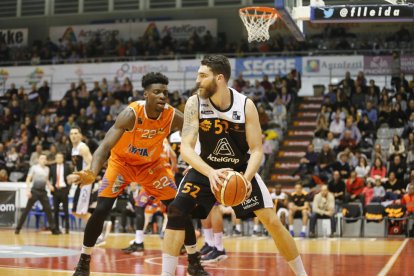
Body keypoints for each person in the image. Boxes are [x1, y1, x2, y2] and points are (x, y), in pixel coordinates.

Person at [161, 55, 307, 276]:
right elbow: (187, 149)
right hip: (205, 169)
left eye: (202, 76)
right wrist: (210, 173)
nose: (197, 80)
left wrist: (246, 180)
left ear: (219, 78)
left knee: (272, 221)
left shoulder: (246, 105)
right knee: (176, 211)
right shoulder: (195, 102)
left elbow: (257, 150)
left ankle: (301, 274)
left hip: (240, 170)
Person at [70, 72, 203, 276]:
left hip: (152, 166)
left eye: (165, 93)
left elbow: (196, 132)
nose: (162, 96)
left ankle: (194, 261)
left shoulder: (173, 116)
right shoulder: (131, 114)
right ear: (146, 94)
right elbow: (105, 146)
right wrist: (92, 171)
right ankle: (84, 261)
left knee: (179, 209)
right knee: (102, 208)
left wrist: (197, 159)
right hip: (122, 164)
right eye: (157, 92)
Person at [15, 154, 61, 235]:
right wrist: (27, 190)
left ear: (46, 161)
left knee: (48, 210)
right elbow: (28, 179)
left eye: (44, 158)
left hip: (43, 192)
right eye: (41, 158)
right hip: (34, 191)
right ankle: (18, 228)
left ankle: (53, 229)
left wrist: (49, 185)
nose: (43, 160)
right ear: (39, 160)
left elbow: (46, 179)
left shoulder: (47, 169)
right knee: (26, 210)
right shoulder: (34, 168)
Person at [50, 152, 72, 234]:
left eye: (60, 157)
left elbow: (70, 179)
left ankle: (67, 228)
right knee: (56, 211)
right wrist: (50, 186)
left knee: (66, 210)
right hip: (55, 191)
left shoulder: (67, 167)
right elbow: (49, 178)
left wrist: (68, 189)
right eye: (57, 157)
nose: (58, 159)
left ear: (63, 159)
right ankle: (56, 228)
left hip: (64, 190)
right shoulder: (52, 167)